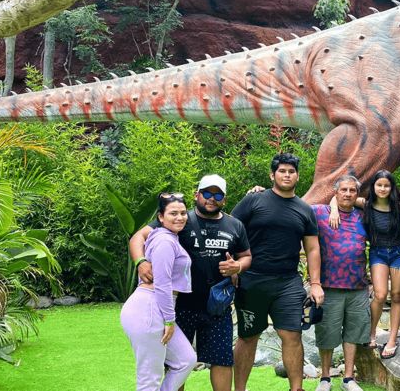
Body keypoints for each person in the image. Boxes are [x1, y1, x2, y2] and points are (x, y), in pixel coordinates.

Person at [129, 176, 252, 391]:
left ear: (224, 199)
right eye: (207, 193)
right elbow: (138, 237)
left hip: (217, 305)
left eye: (218, 195)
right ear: (197, 195)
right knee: (176, 364)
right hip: (181, 305)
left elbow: (246, 256)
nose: (211, 198)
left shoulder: (235, 225)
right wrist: (140, 261)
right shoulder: (180, 218)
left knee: (222, 360)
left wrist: (237, 267)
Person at [230, 153, 325, 391]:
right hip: (252, 280)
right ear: (272, 175)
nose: (287, 175)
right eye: (282, 171)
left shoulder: (305, 209)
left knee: (292, 335)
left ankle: (296, 388)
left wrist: (315, 283)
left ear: (297, 176)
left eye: (291, 171)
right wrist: (233, 266)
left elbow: (312, 248)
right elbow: (229, 231)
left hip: (288, 283)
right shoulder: (253, 201)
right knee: (248, 337)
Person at [121, 192, 196, 391]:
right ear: (161, 217)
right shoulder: (165, 241)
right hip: (150, 308)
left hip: (154, 307)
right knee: (149, 379)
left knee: (186, 360)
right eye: (173, 213)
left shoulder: (169, 238)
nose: (180, 217)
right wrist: (169, 320)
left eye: (183, 213)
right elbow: (163, 284)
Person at [310, 175, 371, 391]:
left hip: (358, 286)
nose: (347, 194)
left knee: (354, 333)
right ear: (335, 192)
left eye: (352, 190)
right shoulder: (320, 212)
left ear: (357, 194)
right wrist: (261, 192)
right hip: (328, 286)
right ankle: (325, 378)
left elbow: (385, 205)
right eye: (343, 190)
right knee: (326, 333)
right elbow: (292, 204)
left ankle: (348, 378)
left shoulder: (363, 216)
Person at [362, 170, 400, 359]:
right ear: (373, 186)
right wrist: (333, 209)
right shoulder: (366, 205)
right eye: (379, 185)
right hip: (378, 253)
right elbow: (338, 197)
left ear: (392, 188)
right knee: (380, 294)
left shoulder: (399, 207)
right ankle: (371, 332)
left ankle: (392, 339)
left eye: (386, 185)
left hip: (399, 253)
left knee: (397, 295)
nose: (383, 188)